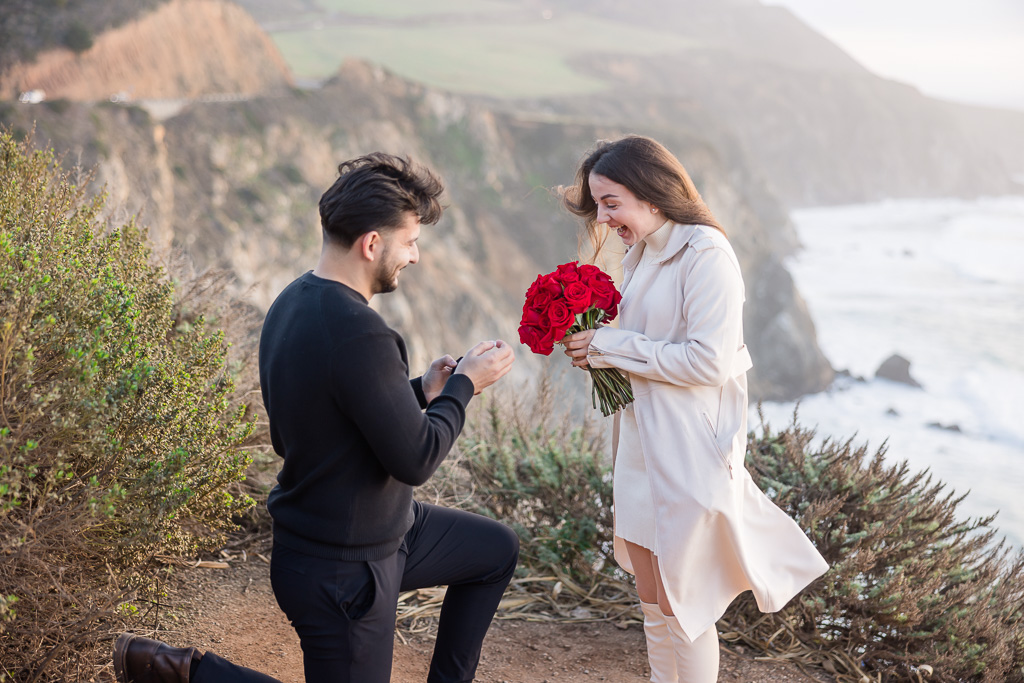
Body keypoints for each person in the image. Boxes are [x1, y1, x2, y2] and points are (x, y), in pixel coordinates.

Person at [113, 153, 519, 683]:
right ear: (372, 244)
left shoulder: (293, 302)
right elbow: (417, 458)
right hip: (343, 569)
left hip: (383, 532)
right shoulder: (361, 333)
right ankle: (188, 672)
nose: (415, 257)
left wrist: (422, 390)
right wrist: (466, 385)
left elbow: (318, 419)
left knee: (494, 551)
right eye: (411, 242)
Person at [561, 136, 829, 683]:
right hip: (638, 443)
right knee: (652, 600)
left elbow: (708, 361)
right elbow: (647, 343)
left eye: (612, 202)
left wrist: (609, 348)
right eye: (599, 205)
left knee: (685, 607)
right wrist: (593, 346)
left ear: (652, 194)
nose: (605, 218)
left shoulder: (707, 253)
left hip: (686, 452)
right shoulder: (640, 252)